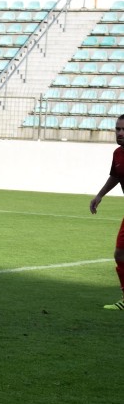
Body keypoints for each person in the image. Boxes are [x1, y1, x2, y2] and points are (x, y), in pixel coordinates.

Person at [89, 114, 124, 311]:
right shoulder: (117, 154)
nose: (120, 133)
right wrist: (100, 195)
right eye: (117, 129)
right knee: (120, 252)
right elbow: (116, 175)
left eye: (123, 130)